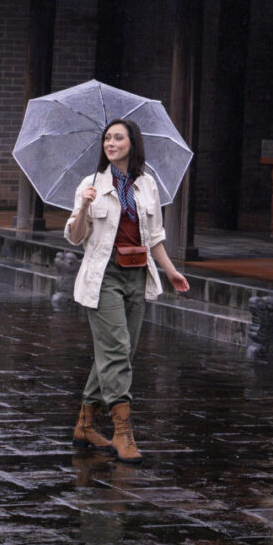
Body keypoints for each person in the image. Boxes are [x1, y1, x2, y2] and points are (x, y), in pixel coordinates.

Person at [64, 118, 189, 463]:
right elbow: (75, 237)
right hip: (104, 277)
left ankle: (85, 424)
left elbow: (156, 238)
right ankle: (123, 434)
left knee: (121, 352)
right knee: (117, 349)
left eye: (118, 137)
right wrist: (85, 206)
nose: (111, 143)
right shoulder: (89, 184)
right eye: (107, 138)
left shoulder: (147, 185)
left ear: (132, 143)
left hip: (137, 276)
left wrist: (172, 272)